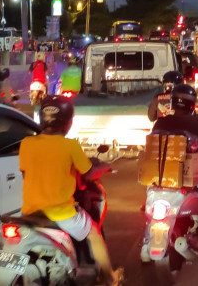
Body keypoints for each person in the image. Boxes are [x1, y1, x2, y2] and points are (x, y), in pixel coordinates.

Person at [19, 96, 123, 285]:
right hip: (60, 213)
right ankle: (110, 277)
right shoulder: (70, 146)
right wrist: (105, 167)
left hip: (30, 211)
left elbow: (26, 174)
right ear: (67, 122)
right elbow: (89, 173)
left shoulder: (26, 143)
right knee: (93, 234)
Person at [151, 84, 198, 230]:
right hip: (190, 170)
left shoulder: (161, 122)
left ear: (172, 102)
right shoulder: (196, 122)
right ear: (192, 105)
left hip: (161, 171)